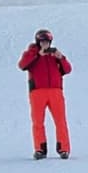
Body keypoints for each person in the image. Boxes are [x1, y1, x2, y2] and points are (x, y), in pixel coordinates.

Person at [17, 28, 72, 160]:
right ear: (38, 42)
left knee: (60, 121)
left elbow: (68, 69)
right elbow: (22, 65)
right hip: (37, 92)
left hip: (55, 91)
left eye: (47, 42)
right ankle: (40, 149)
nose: (45, 44)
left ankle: (64, 148)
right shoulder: (31, 53)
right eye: (42, 42)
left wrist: (61, 58)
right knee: (38, 122)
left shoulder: (54, 55)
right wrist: (37, 55)